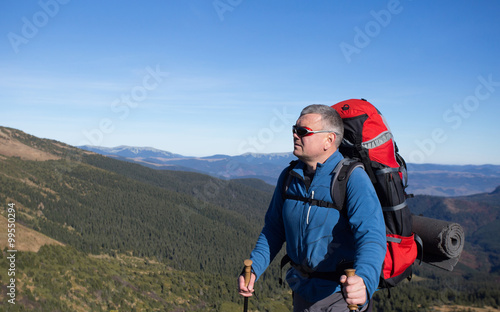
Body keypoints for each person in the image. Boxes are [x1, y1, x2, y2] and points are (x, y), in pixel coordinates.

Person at [238, 104, 386, 311]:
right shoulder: (289, 177)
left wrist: (364, 281)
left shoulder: (352, 179)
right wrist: (254, 268)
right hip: (302, 290)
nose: (295, 136)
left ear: (329, 140)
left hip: (340, 297)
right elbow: (274, 229)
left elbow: (371, 236)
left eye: (303, 132)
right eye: (294, 129)